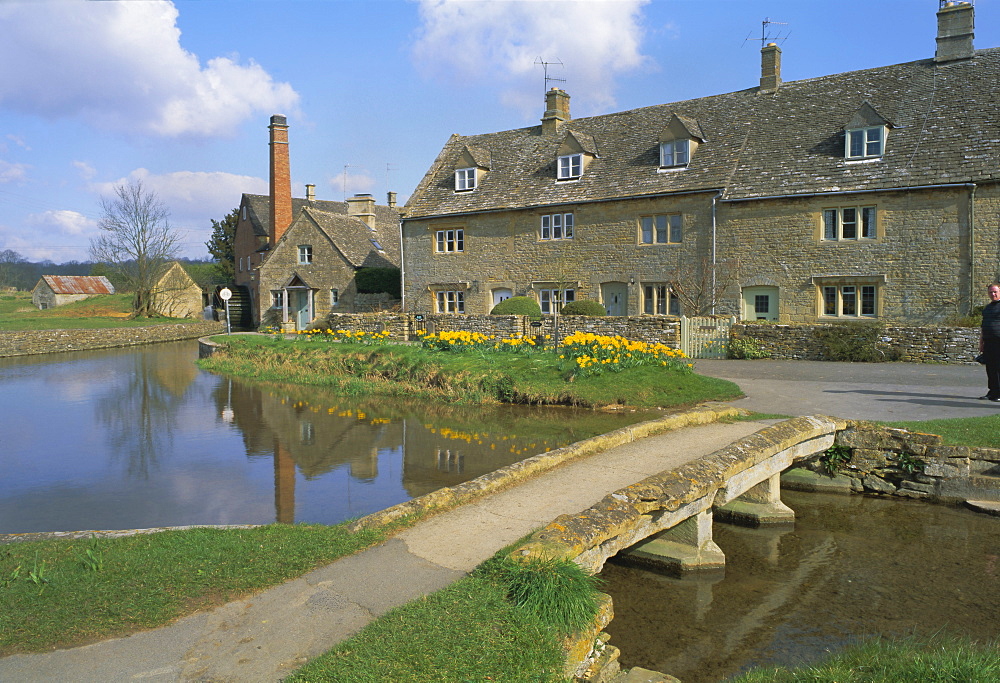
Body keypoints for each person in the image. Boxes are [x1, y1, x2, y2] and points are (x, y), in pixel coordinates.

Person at [979, 283, 1000, 401]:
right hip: (989, 342)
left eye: (995, 292)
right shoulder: (987, 308)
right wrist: (981, 342)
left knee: (998, 368)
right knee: (990, 368)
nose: (993, 294)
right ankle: (992, 392)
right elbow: (983, 326)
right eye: (991, 292)